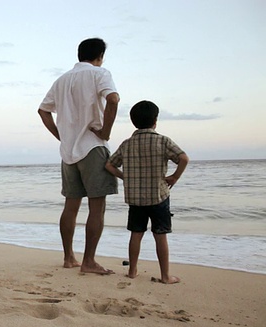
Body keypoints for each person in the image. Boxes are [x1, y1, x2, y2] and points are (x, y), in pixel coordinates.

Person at [38, 38, 120, 274]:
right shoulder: (99, 73)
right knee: (97, 208)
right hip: (92, 147)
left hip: (68, 152)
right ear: (100, 56)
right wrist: (106, 132)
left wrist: (62, 136)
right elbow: (113, 99)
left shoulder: (62, 80)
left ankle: (69, 258)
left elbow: (43, 111)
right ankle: (89, 262)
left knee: (71, 206)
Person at [105, 100, 189, 284]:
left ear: (133, 121)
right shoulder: (162, 140)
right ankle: (165, 276)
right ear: (155, 120)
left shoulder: (127, 144)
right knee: (160, 236)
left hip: (135, 199)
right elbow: (183, 158)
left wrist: (124, 177)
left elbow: (109, 164)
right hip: (158, 196)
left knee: (136, 234)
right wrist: (174, 177)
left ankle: (133, 271)